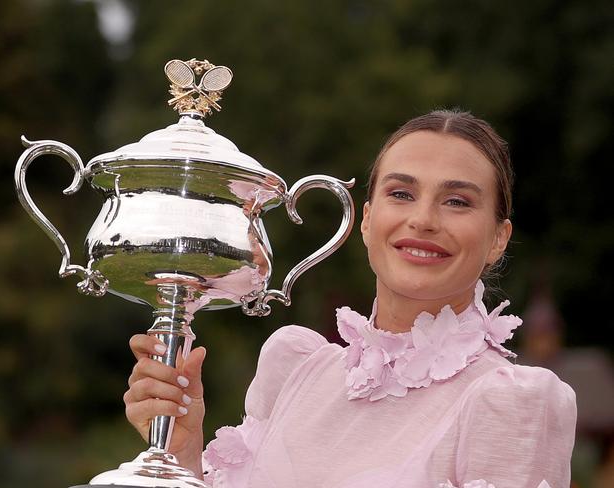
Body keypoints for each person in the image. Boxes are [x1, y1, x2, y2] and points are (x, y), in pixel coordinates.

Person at [123, 110, 577, 488]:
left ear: (498, 238)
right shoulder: (294, 370)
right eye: (401, 193)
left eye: (457, 201)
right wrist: (181, 451)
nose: (423, 219)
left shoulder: (511, 404)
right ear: (367, 219)